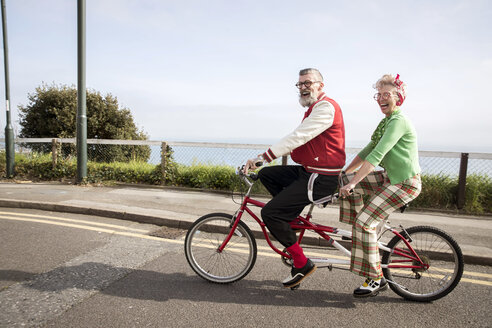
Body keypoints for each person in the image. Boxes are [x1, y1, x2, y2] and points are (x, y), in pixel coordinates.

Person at [243, 68, 345, 288]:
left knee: (269, 213)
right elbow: (299, 142)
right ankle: (290, 219)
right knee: (267, 175)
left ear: (321, 85)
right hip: (309, 171)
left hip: (320, 179)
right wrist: (263, 164)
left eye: (308, 83)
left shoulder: (326, 108)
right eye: (300, 84)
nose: (303, 88)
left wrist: (262, 157)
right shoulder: (314, 109)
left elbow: (298, 137)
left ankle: (301, 264)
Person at [338, 74, 421, 298]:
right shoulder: (386, 121)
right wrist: (346, 174)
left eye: (387, 95)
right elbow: (366, 150)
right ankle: (360, 233)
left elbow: (377, 154)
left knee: (364, 223)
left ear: (398, 98)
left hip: (405, 183)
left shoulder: (398, 120)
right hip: (390, 178)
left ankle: (376, 279)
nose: (381, 99)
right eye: (379, 95)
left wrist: (355, 181)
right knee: (344, 182)